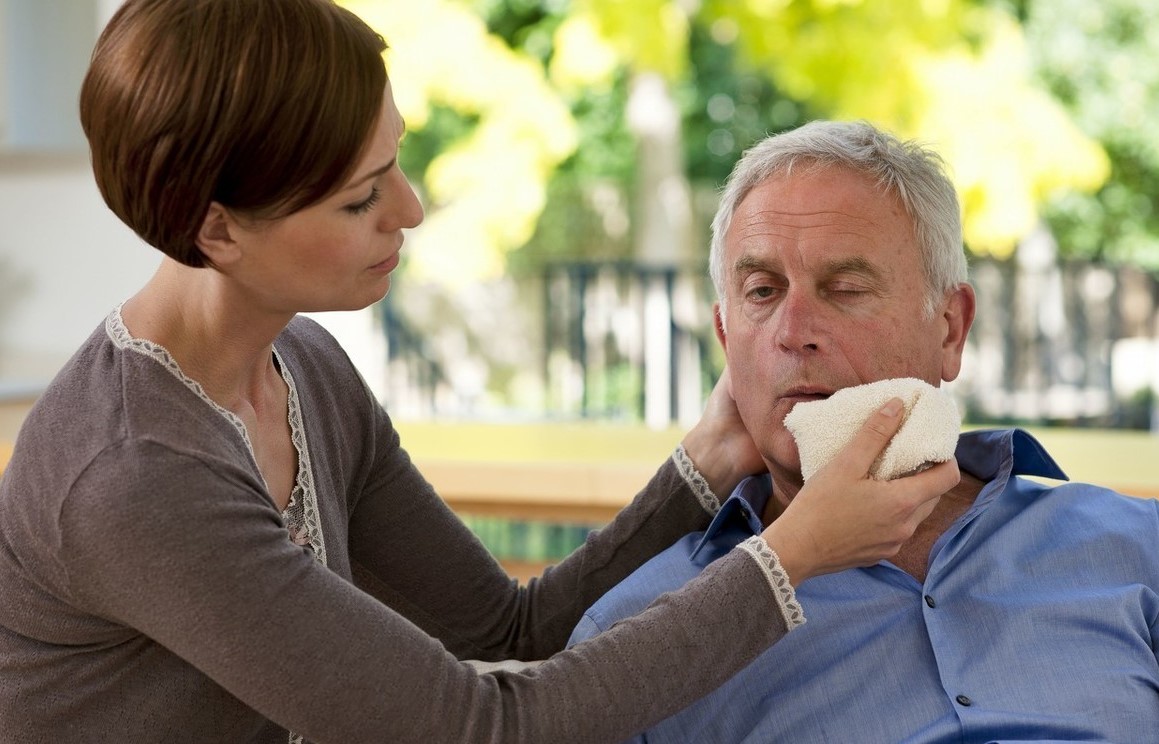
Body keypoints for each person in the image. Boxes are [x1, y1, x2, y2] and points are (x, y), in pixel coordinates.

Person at [0, 4, 959, 742]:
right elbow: (479, 727)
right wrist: (789, 558)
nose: (410, 210)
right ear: (217, 230)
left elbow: (509, 633)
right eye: (361, 199)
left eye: (397, 162)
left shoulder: (302, 369)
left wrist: (707, 461)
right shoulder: (133, 477)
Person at [568, 120, 1159, 743]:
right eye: (762, 291)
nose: (794, 330)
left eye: (845, 289)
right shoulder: (632, 638)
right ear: (726, 340)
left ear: (950, 331)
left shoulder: (1137, 544)